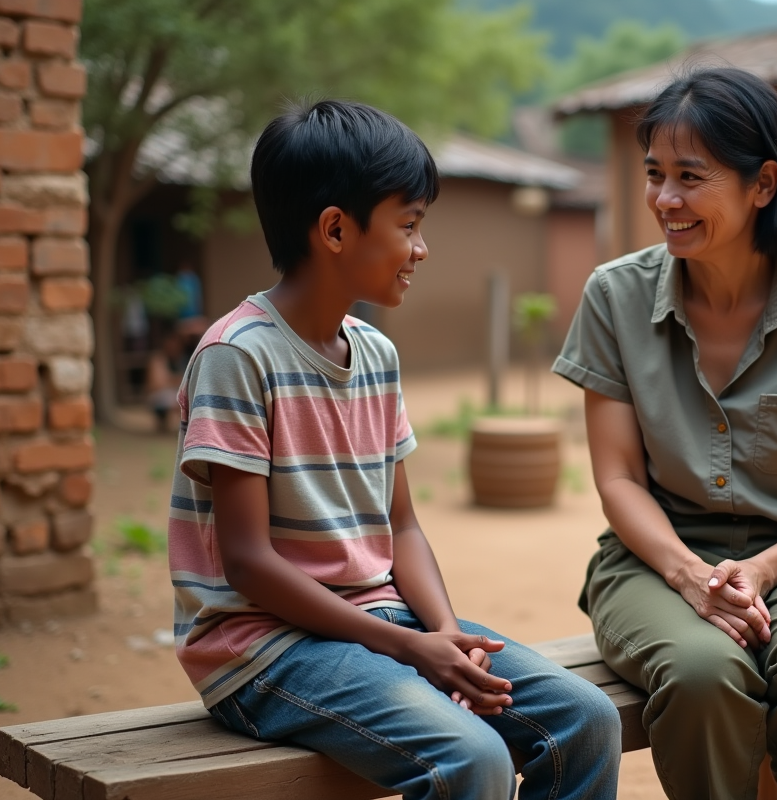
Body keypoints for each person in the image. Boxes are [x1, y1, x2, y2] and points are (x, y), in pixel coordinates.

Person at [167, 100, 621, 800]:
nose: (421, 247)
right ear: (336, 229)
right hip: (265, 650)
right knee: (474, 759)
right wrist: (412, 648)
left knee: (587, 721)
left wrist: (444, 633)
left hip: (385, 623)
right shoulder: (238, 356)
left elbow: (401, 525)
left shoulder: (375, 353)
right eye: (409, 225)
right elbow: (249, 564)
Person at [552, 67, 777, 800]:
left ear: (763, 184)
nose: (664, 200)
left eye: (691, 176)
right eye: (654, 175)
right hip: (653, 561)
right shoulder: (613, 298)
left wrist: (768, 569)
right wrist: (690, 576)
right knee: (701, 670)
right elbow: (617, 476)